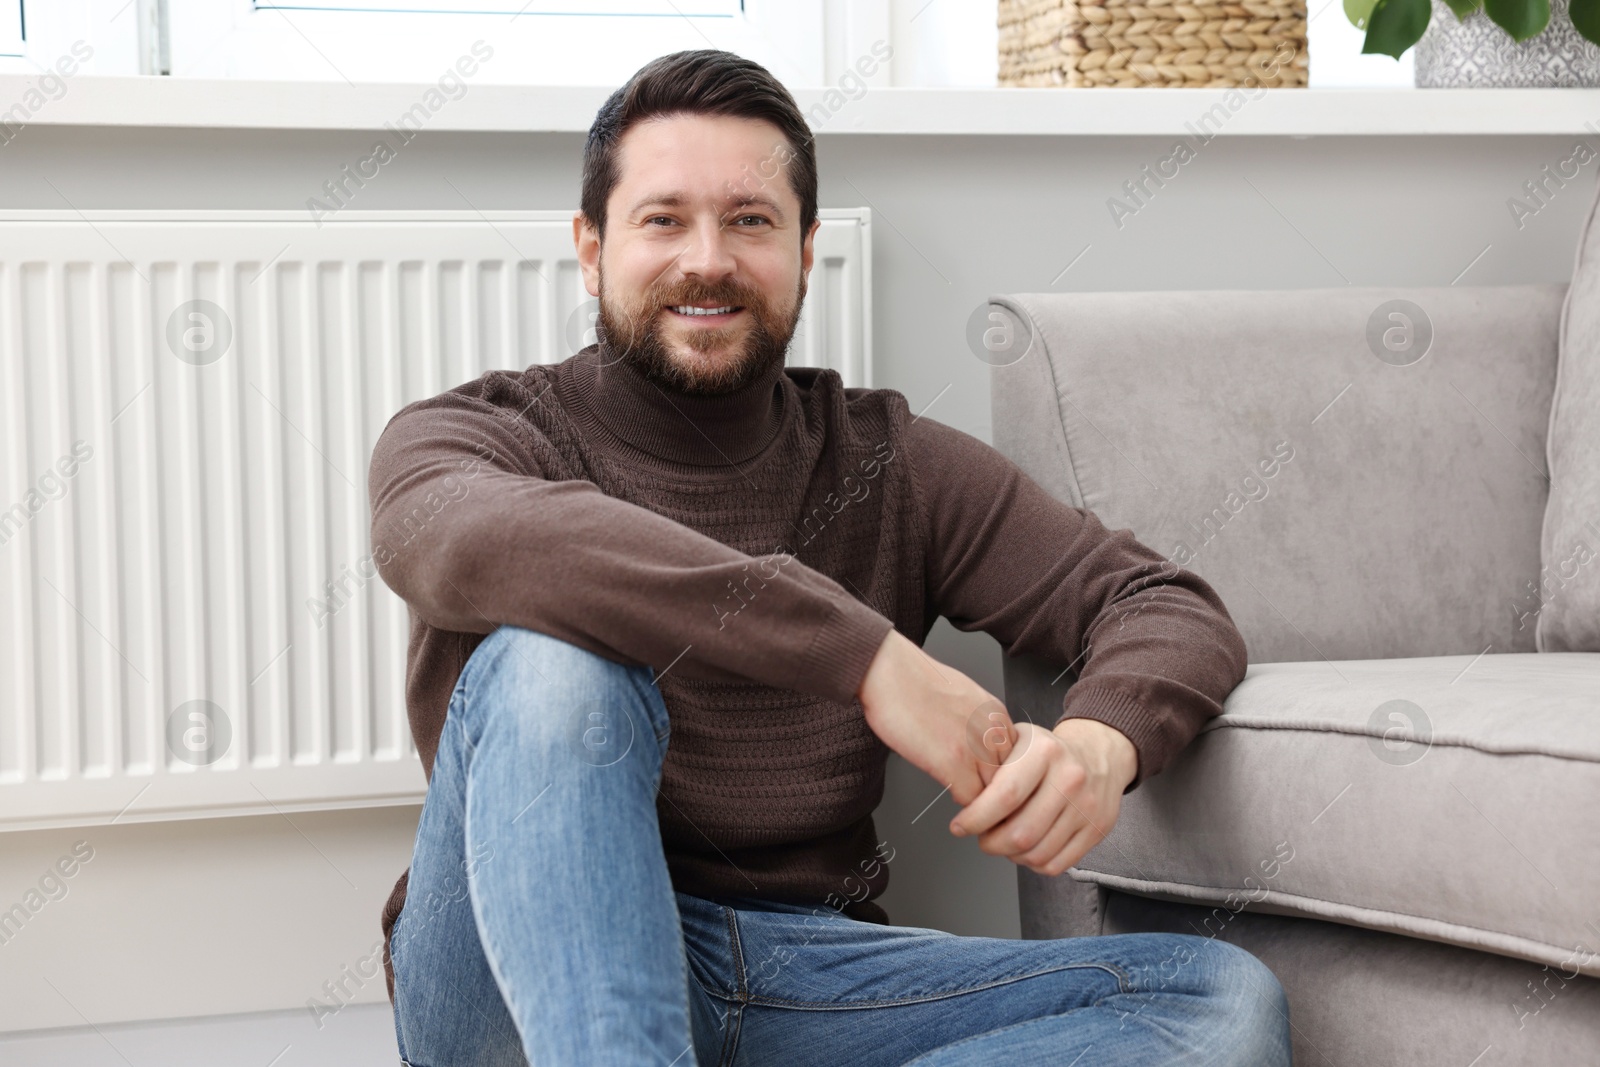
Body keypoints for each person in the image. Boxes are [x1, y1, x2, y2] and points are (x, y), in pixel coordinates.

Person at [368, 47, 1290, 1067]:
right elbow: (450, 534)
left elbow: (1162, 603)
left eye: (750, 220)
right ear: (591, 249)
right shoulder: (480, 435)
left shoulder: (887, 465)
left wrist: (1096, 746)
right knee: (552, 666)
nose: (707, 258)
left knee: (1212, 1000)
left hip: (806, 976)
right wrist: (865, 657)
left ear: (806, 251)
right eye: (663, 219)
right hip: (511, 967)